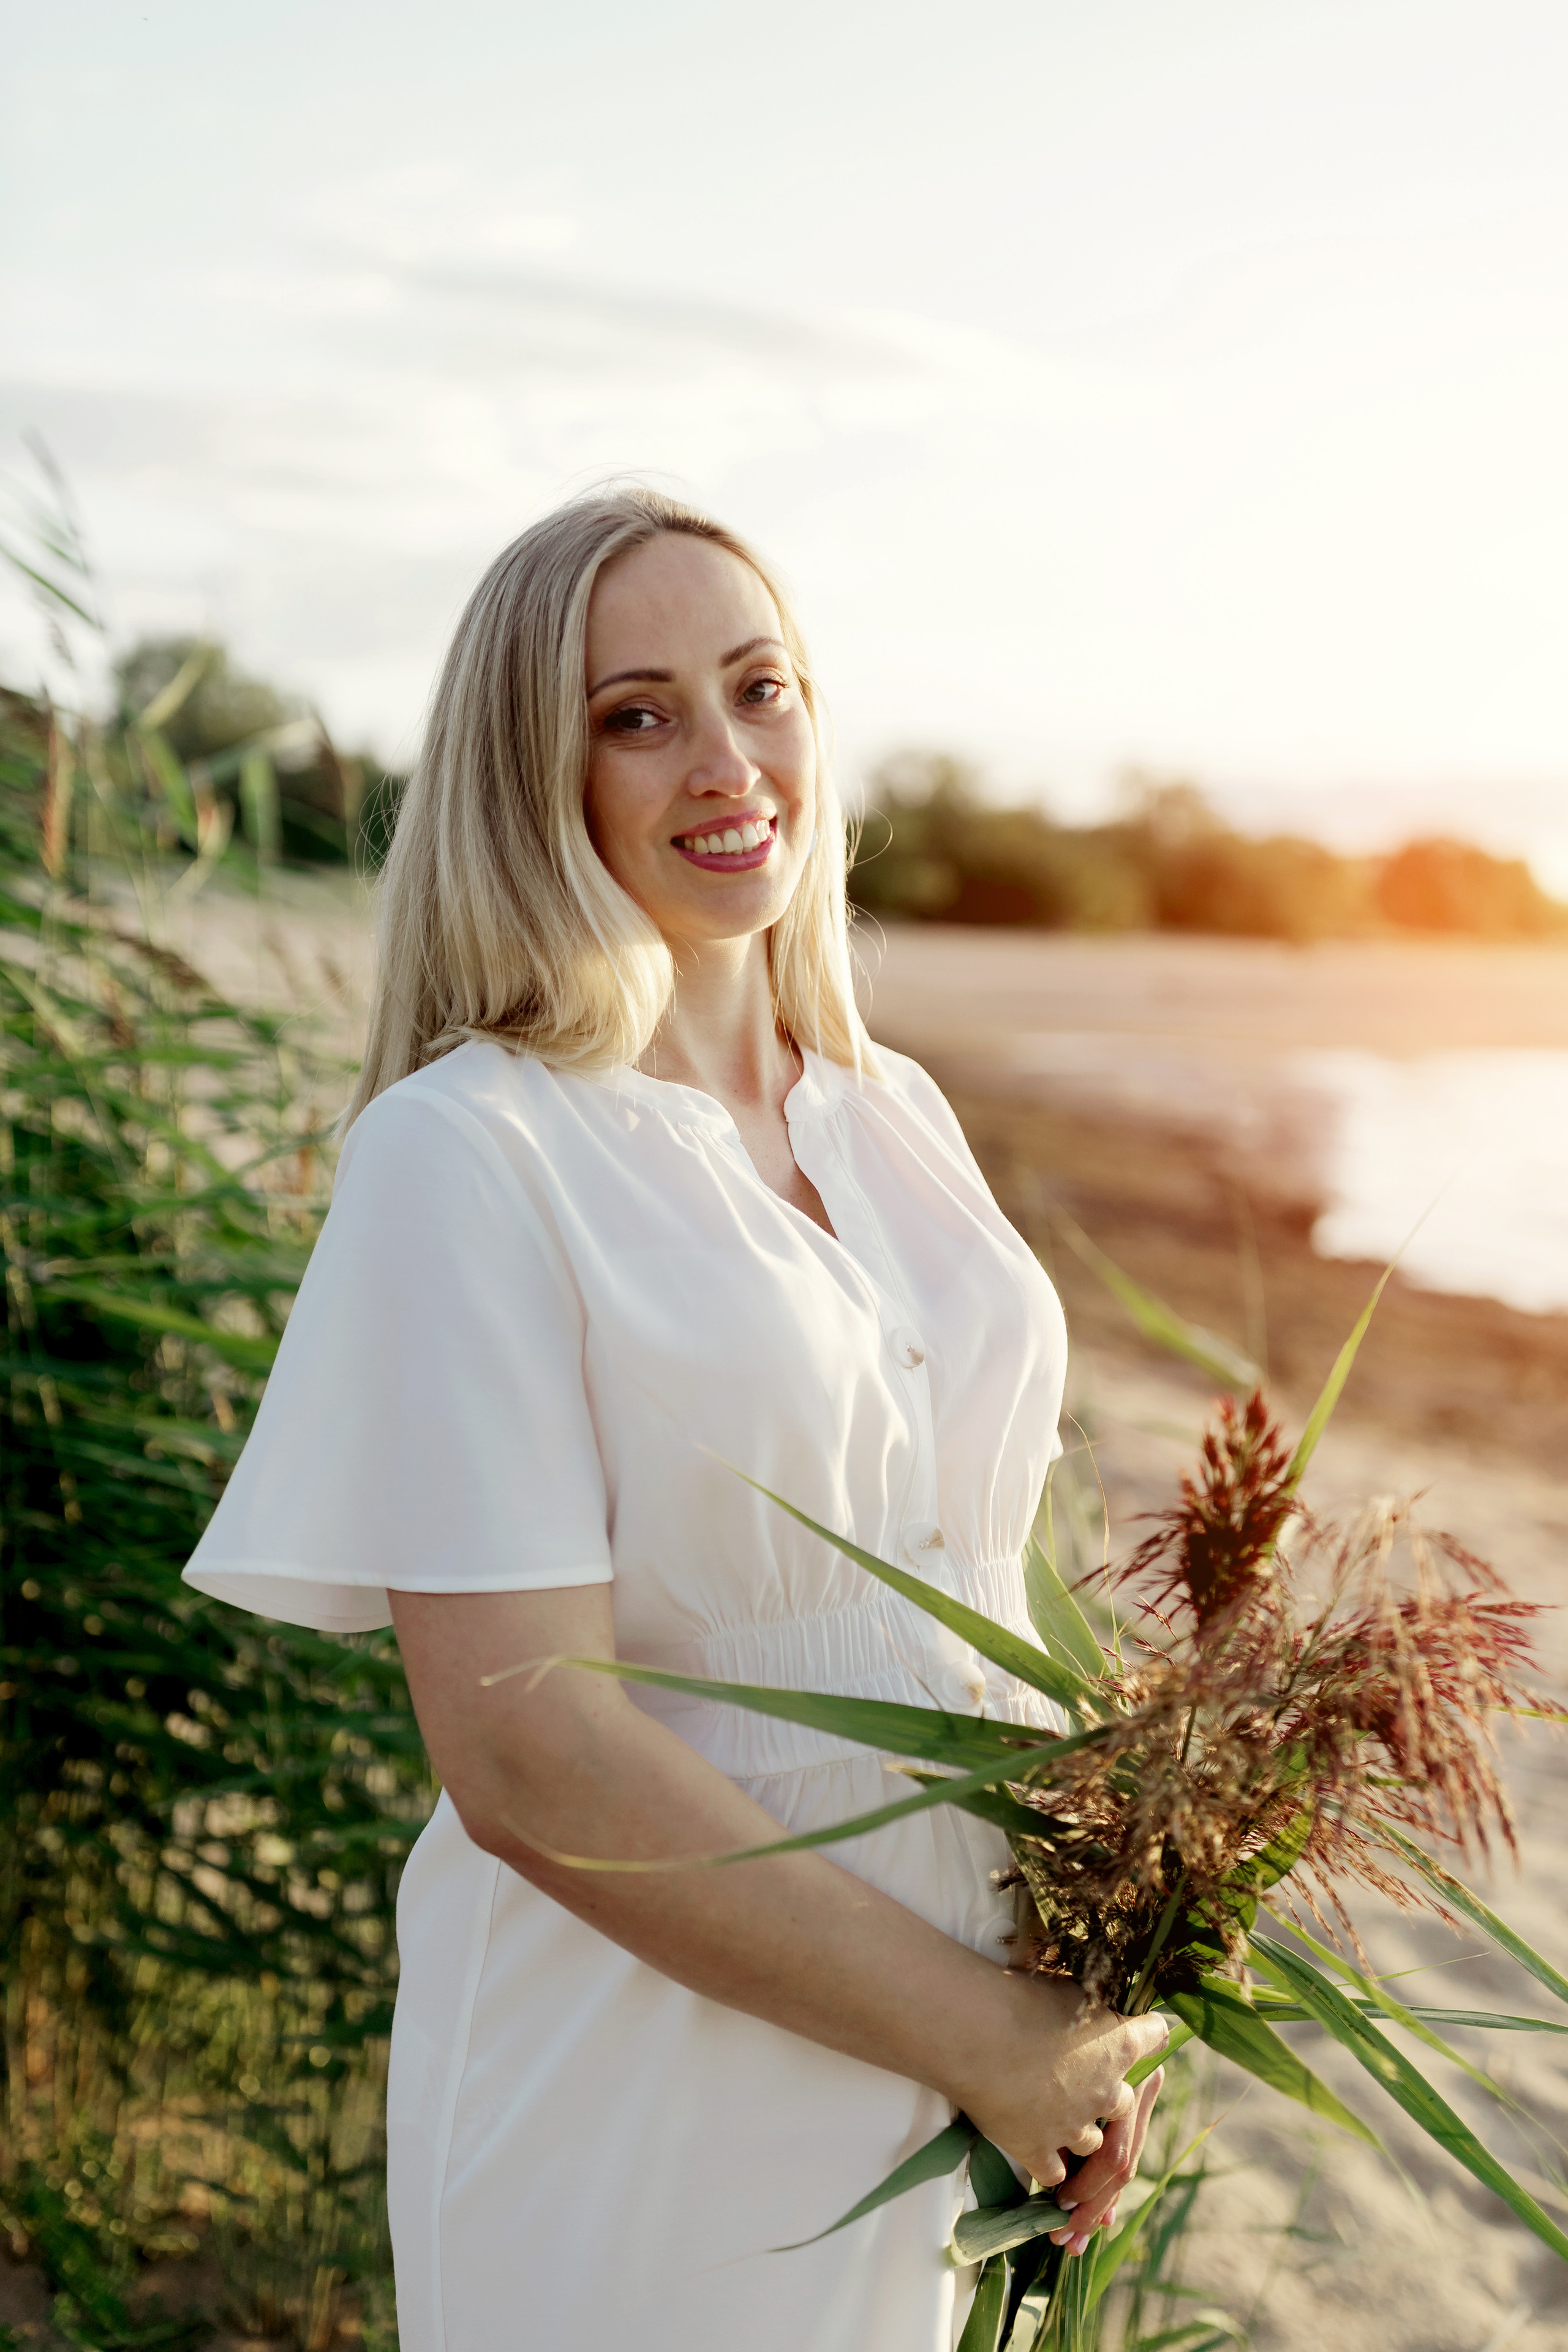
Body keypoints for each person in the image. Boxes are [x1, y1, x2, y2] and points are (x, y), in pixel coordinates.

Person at [183, 487, 1167, 2351]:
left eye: (759, 688)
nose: (726, 761)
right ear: (530, 776)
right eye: (636, 716)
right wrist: (983, 2034)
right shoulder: (468, 1152)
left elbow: (976, 1591)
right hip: (647, 2075)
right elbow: (530, 1752)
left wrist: (1092, 1973)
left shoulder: (893, 1116)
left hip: (958, 2063)